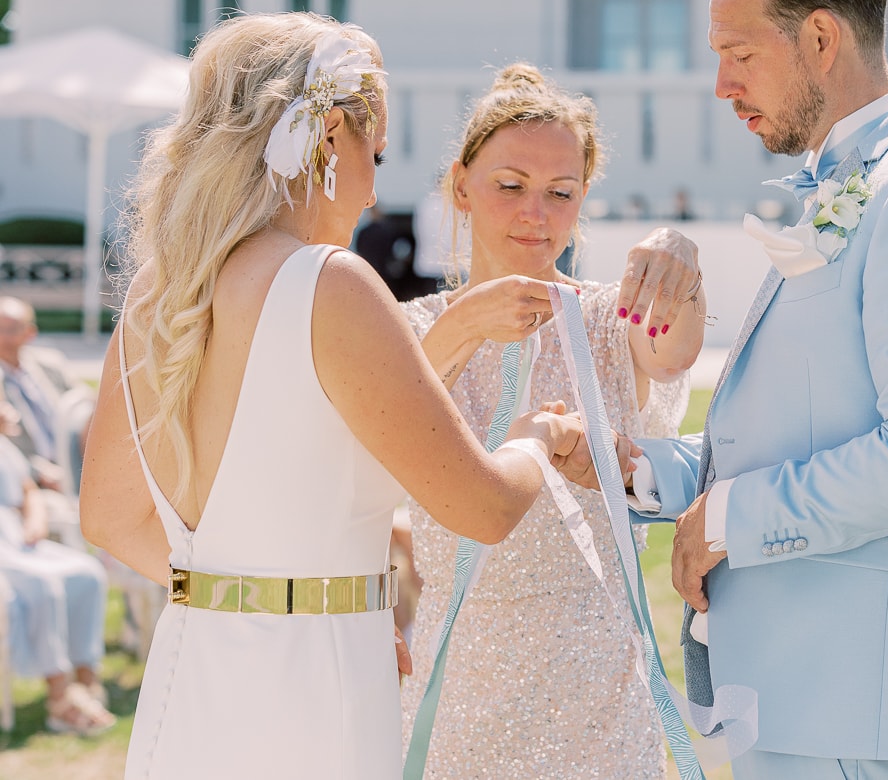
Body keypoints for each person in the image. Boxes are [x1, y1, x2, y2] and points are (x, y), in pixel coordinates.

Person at [78, 14, 583, 779]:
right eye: (373, 152)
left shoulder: (163, 287)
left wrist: (247, 598)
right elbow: (481, 506)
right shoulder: (330, 283)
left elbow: (108, 517)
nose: (376, 186)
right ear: (325, 141)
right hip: (317, 693)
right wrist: (534, 438)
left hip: (195, 668)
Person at [613, 1, 888, 777]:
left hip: (869, 714)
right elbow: (806, 434)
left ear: (822, 37)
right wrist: (646, 470)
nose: (721, 84)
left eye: (737, 53)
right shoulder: (854, 184)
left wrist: (731, 517)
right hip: (803, 700)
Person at [397, 63, 708, 778]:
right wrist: (469, 320)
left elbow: (673, 347)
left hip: (597, 689)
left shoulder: (602, 319)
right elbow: (389, 425)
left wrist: (677, 264)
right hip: (461, 688)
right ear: (461, 186)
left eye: (560, 193)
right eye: (510, 186)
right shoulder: (412, 329)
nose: (535, 212)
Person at [0, 402, 114, 736]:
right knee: (43, 584)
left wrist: (35, 519)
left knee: (87, 573)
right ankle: (59, 695)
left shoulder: (5, 446)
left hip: (18, 538)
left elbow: (27, 489)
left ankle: (86, 678)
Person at [0, 296, 89, 492]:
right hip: (31, 481)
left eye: (12, 330)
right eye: (0, 329)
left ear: (30, 332)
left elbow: (86, 406)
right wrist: (37, 471)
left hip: (77, 461)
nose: (4, 337)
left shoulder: (50, 364)